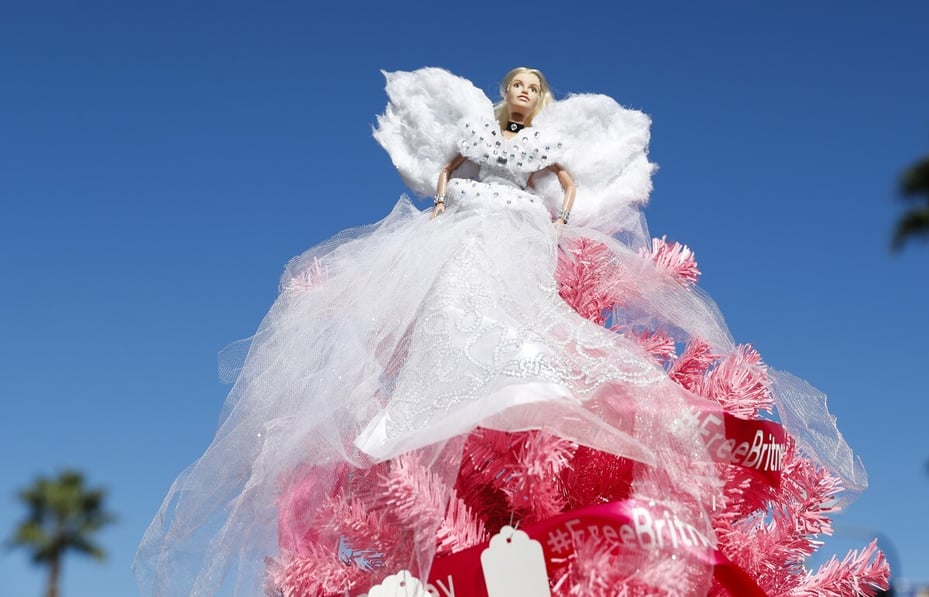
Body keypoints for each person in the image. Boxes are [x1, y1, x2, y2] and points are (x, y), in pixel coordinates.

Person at [134, 67, 872, 596]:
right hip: (470, 228)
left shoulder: (535, 152)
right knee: (460, 305)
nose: (521, 98)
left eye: (531, 92)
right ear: (502, 95)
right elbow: (453, 162)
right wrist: (447, 196)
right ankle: (460, 377)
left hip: (520, 231)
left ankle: (513, 369)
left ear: (540, 101)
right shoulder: (479, 133)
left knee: (529, 312)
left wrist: (555, 212)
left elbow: (563, 176)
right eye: (516, 88)